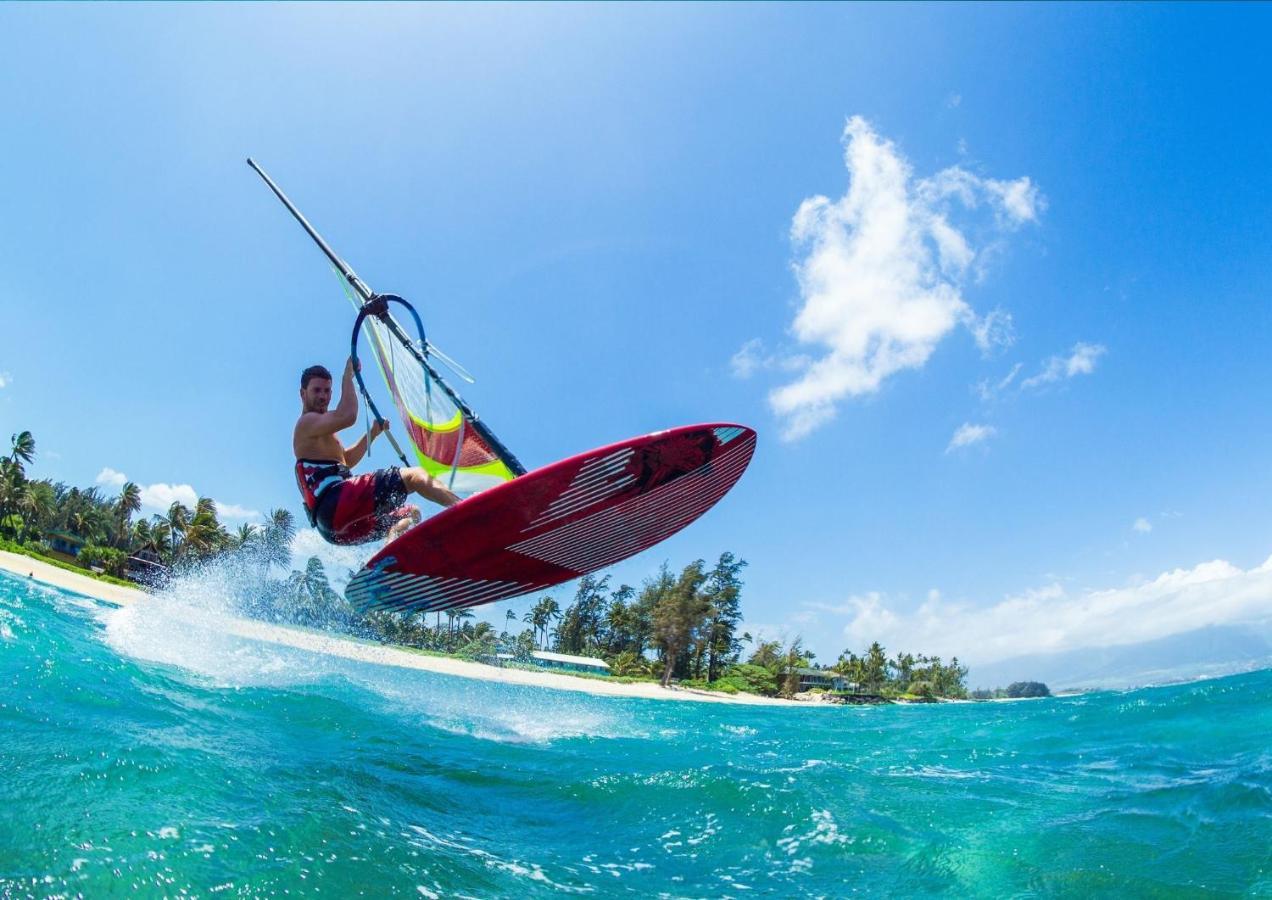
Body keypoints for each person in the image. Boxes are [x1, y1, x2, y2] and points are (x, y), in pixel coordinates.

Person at [293, 360, 459, 545]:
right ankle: (464, 509)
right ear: (303, 393)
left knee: (411, 513)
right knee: (416, 476)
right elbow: (348, 416)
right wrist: (348, 375)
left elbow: (347, 460)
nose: (323, 396)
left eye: (327, 391)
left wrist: (372, 434)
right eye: (317, 390)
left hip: (334, 528)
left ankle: (390, 557)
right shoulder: (306, 423)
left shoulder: (321, 430)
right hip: (335, 504)